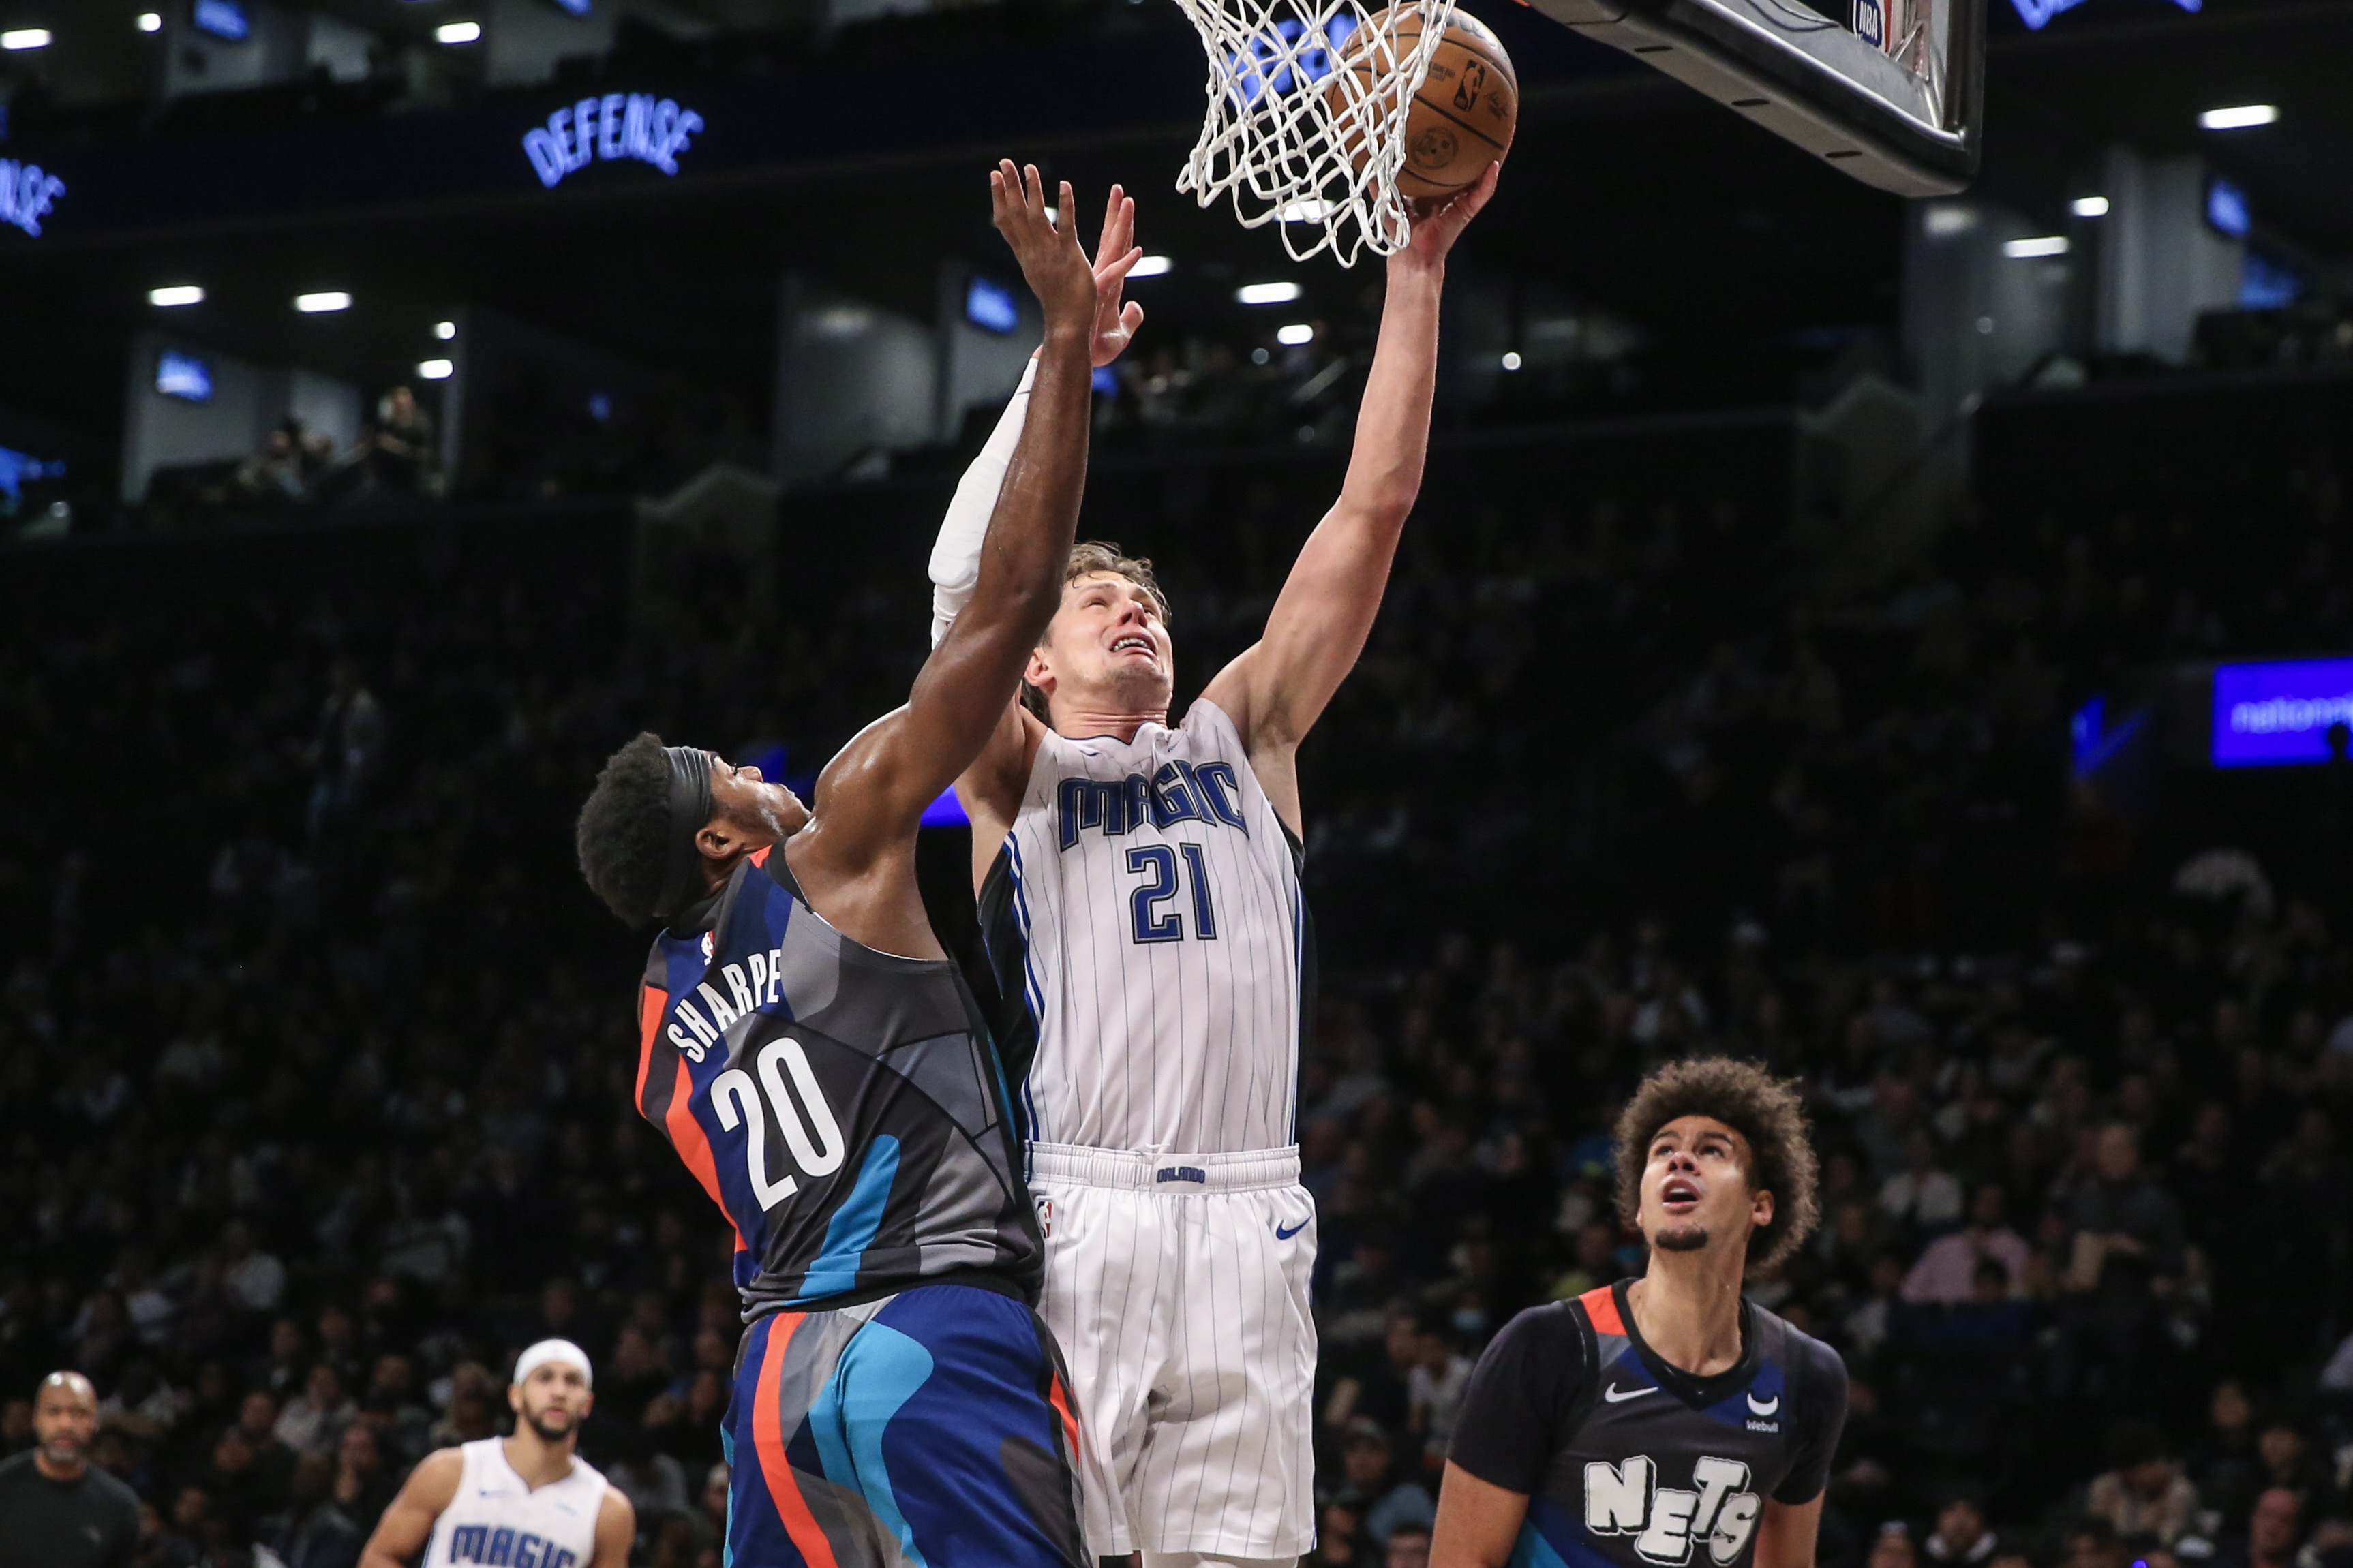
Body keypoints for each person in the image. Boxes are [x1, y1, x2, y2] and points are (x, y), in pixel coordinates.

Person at [925, 155, 1499, 1567]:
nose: (1131, 609)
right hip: (1083, 1206)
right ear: (1039, 659)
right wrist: (1059, 357)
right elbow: (962, 597)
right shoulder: (1017, 774)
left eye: (1145, 600)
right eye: (1096, 600)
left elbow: (1370, 510)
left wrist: (1414, 277)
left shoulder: (1245, 736)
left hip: (1251, 1212)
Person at [571, 162, 1120, 1568]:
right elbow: (1006, 607)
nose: (754, 768)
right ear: (717, 836)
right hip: (927, 1332)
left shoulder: (651, 1035)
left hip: (772, 1384)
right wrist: (1062, 351)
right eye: (725, 770)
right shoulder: (832, 849)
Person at [1428, 1058, 1848, 1568]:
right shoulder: (1549, 1345)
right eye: (1664, 1149)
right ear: (1640, 1208)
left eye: (1712, 1150)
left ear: (1761, 1205)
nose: (1682, 1159)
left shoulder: (1807, 1377)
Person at [358, 1340, 633, 1568]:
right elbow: (379, 1557)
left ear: (587, 1404)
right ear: (516, 1396)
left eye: (572, 1382)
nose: (559, 1392)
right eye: (545, 1378)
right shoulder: (450, 1470)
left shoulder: (608, 1511)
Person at [0, 1371, 141, 1568]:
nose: (65, 1424)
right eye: (54, 1412)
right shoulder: (4, 1486)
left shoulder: (120, 1506)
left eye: (79, 1413)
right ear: (36, 1420)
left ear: (95, 1422)